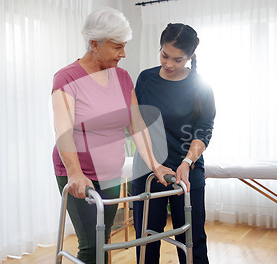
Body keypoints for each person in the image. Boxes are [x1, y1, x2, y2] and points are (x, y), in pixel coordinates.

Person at [51, 8, 174, 264]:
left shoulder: (122, 77)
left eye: (124, 46)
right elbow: (63, 131)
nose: (123, 53)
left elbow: (136, 125)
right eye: (117, 46)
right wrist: (75, 172)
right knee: (92, 246)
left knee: (104, 239)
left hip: (111, 175)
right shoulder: (66, 77)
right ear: (95, 44)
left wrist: (155, 164)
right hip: (77, 173)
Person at [132, 23, 216, 264]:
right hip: (148, 169)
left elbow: (204, 130)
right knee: (146, 240)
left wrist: (187, 162)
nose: (168, 64)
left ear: (190, 57)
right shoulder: (146, 79)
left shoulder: (201, 87)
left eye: (178, 60)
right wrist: (153, 163)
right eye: (164, 55)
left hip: (186, 171)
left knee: (193, 239)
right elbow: (137, 124)